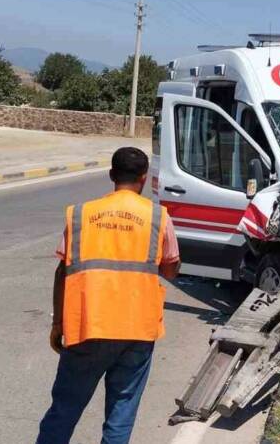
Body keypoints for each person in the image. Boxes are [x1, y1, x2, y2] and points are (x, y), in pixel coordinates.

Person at [36, 146, 180, 444]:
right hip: (137, 331)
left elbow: (63, 272)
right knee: (120, 413)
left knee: (64, 410)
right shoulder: (158, 217)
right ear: (143, 178)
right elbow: (170, 269)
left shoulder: (81, 214)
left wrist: (58, 323)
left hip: (88, 326)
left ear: (112, 175)